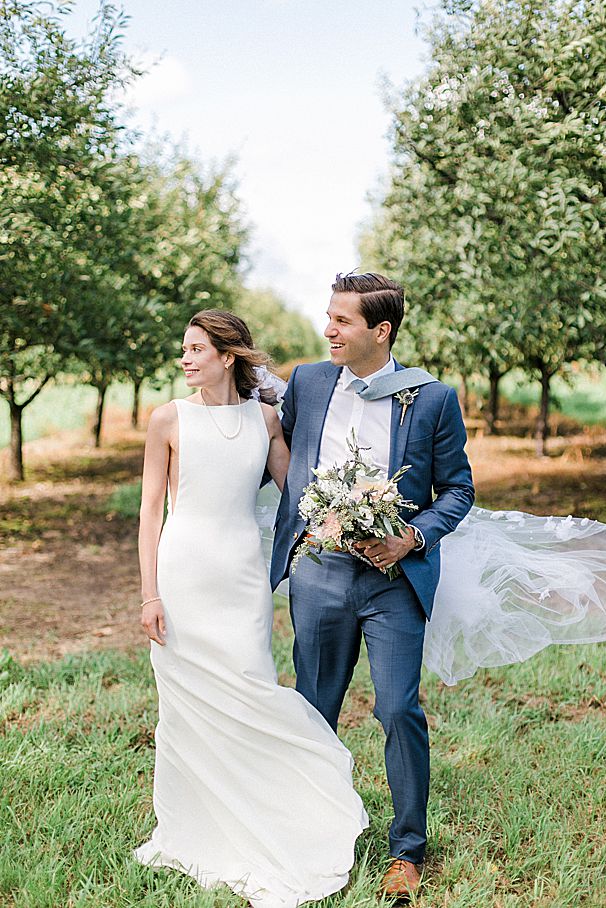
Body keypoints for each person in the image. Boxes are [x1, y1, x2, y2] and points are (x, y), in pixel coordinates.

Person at [135, 310, 367, 908]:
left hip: (241, 578)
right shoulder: (167, 419)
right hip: (182, 575)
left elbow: (300, 494)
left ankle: (289, 801)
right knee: (186, 706)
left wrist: (355, 509)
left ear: (228, 355)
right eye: (183, 350)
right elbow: (149, 517)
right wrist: (149, 595)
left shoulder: (265, 419)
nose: (185, 359)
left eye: (195, 349)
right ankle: (198, 827)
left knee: (250, 688)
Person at [269, 271, 474, 900]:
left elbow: (459, 491)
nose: (328, 329)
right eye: (327, 316)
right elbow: (281, 446)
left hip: (393, 581)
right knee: (314, 707)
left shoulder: (431, 399)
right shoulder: (306, 382)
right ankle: (313, 830)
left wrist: (410, 538)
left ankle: (407, 850)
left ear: (379, 331)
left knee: (396, 708)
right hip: (321, 576)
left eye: (342, 320)